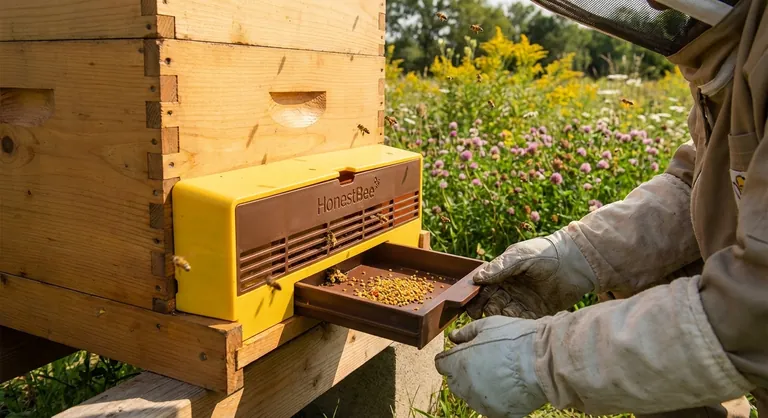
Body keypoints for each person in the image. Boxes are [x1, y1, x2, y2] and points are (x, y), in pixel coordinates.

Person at [434, 0, 768, 417]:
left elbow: (757, 308)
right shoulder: (737, 49)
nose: (651, 4)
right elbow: (703, 184)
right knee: (639, 275)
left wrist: (543, 363)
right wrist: (579, 254)